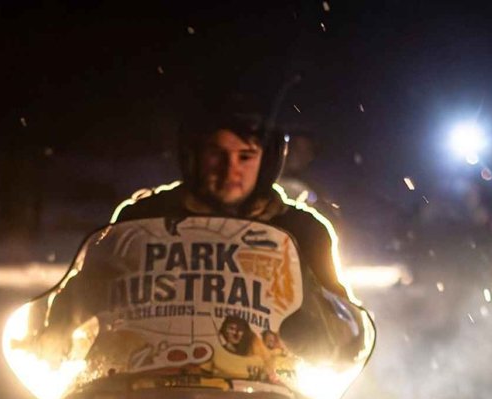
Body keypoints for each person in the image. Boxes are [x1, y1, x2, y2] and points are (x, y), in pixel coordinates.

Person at [111, 95, 353, 301]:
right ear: (193, 156)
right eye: (217, 154)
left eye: (246, 156)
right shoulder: (140, 222)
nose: (230, 170)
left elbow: (344, 326)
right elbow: (83, 305)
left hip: (265, 358)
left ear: (267, 161)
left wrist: (313, 333)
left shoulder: (302, 231)